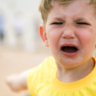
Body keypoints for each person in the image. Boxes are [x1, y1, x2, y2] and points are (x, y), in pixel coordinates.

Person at [6, 0, 96, 95]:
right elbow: (16, 83)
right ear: (45, 36)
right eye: (58, 23)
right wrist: (10, 80)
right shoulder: (44, 72)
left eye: (81, 23)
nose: (68, 34)